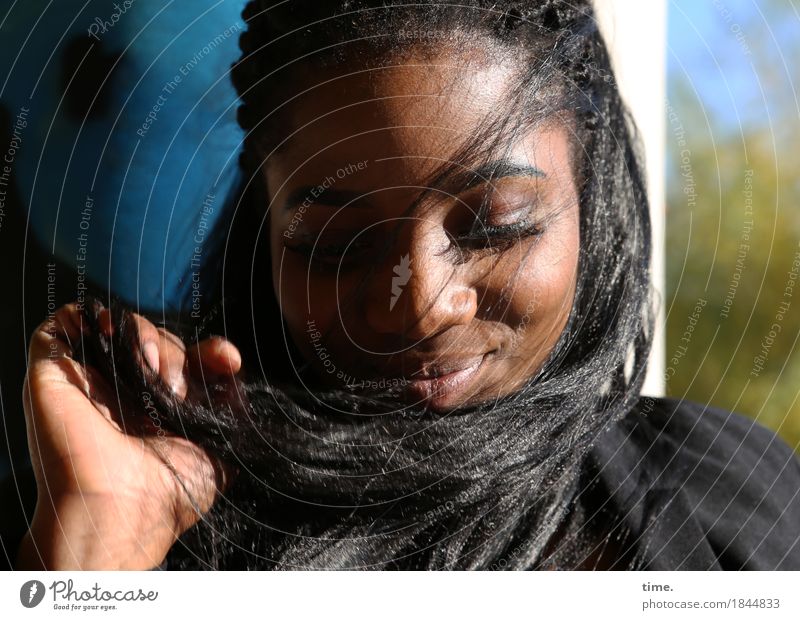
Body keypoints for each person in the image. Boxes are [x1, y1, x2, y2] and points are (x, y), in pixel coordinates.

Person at [3, 0, 799, 571]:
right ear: (264, 237)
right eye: (335, 242)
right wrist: (97, 549)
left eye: (496, 225)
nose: (419, 303)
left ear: (594, 201)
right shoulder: (153, 523)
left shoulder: (735, 495)